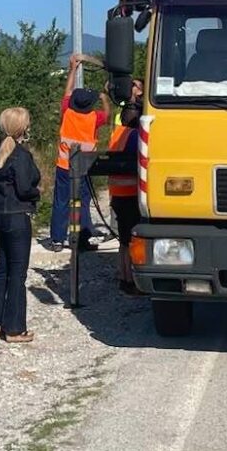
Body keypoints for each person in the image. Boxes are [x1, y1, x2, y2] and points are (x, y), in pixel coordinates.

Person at [0, 107, 40, 343]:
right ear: (23, 127)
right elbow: (24, 188)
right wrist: (36, 193)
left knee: (2, 267)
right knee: (17, 272)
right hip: (17, 216)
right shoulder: (21, 155)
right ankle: (14, 328)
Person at [49, 54, 110, 252]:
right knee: (82, 202)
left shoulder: (67, 113)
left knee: (61, 202)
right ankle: (82, 239)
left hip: (64, 166)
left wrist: (73, 69)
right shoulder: (94, 118)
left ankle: (57, 240)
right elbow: (107, 115)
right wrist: (104, 97)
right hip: (84, 167)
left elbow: (67, 92)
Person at [108, 104, 141, 295]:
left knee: (123, 240)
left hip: (117, 193)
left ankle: (123, 276)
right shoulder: (135, 136)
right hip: (130, 194)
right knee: (131, 240)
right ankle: (131, 281)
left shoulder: (117, 134)